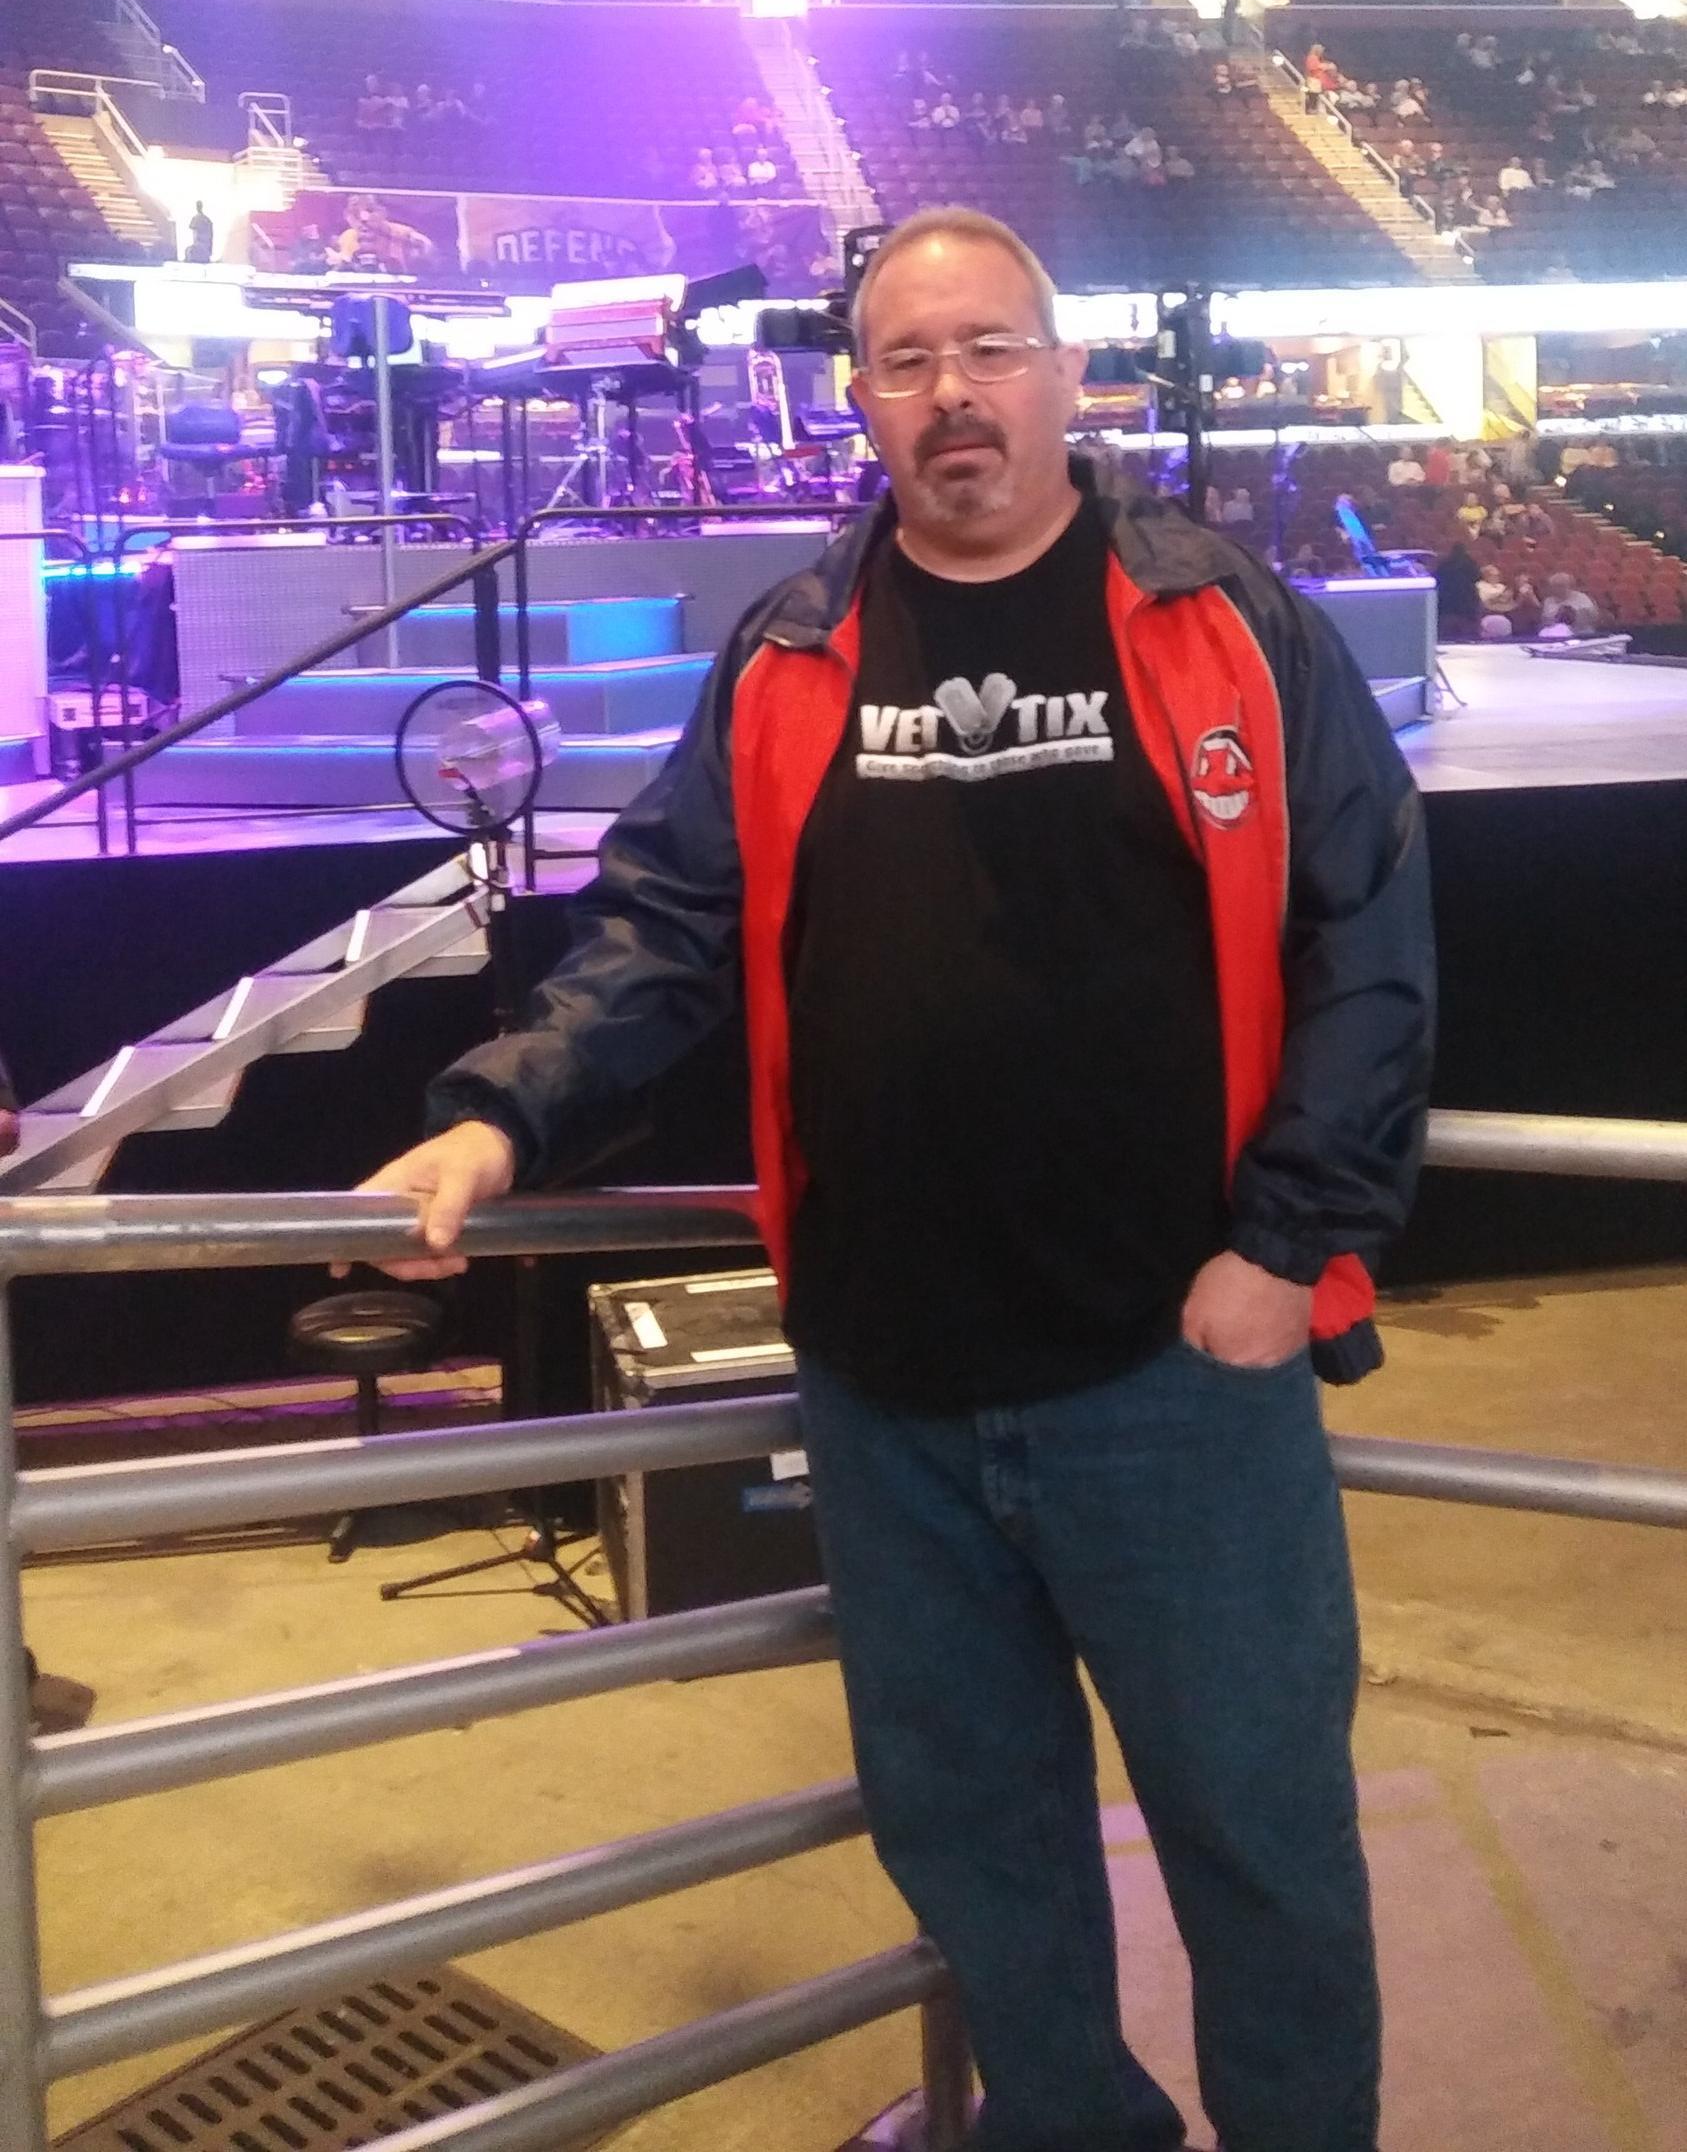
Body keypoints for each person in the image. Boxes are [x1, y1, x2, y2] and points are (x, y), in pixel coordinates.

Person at [351, 205, 1434, 2152]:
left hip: (1177, 1378)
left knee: (1260, 1842)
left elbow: (1371, 943)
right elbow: (663, 928)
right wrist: (504, 1110)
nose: (954, 395)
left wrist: (1288, 1247)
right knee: (979, 1854)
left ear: (1068, 374)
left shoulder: (1229, 627)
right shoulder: (791, 653)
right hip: (885, 1392)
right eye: (908, 361)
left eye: (991, 350)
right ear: (856, 400)